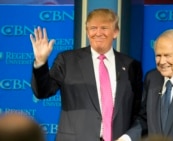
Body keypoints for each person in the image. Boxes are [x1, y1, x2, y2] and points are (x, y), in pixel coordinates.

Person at [29, 8, 142, 141]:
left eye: (104, 28)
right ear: (87, 33)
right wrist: (41, 63)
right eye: (93, 28)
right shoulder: (67, 61)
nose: (98, 33)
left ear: (115, 32)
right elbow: (43, 92)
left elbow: (138, 111)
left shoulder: (130, 65)